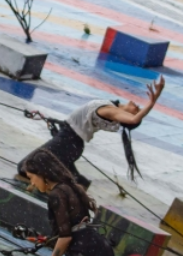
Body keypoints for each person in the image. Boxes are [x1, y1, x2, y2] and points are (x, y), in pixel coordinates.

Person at [19, 76, 164, 189]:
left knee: (24, 167)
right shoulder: (113, 105)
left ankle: (76, 185)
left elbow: (133, 120)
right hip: (69, 140)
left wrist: (152, 102)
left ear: (126, 117)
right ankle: (78, 183)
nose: (137, 106)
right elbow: (126, 113)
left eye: (137, 110)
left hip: (68, 141)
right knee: (60, 174)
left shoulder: (112, 112)